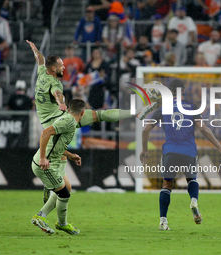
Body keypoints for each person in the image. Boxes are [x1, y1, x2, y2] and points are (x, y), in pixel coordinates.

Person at [26, 39, 157, 203]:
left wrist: (35, 50)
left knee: (63, 161)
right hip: (61, 120)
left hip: (51, 122)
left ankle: (137, 112)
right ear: (53, 69)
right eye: (61, 66)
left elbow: (40, 60)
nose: (64, 67)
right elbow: (58, 94)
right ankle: (136, 112)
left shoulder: (41, 73)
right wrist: (61, 104)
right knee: (100, 115)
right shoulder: (54, 82)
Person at [140, 79, 221, 230]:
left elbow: (145, 130)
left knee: (167, 184)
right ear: (183, 91)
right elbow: (204, 129)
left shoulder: (162, 109)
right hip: (188, 151)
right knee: (192, 179)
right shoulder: (192, 107)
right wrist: (219, 146)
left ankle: (163, 221)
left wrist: (145, 150)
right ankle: (193, 201)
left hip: (170, 151)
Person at [31, 99, 85, 235]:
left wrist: (71, 155)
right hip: (46, 164)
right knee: (64, 194)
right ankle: (51, 220)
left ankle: (50, 216)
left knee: (67, 187)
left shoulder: (67, 120)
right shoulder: (69, 121)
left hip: (52, 161)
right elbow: (45, 133)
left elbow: (56, 144)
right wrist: (43, 158)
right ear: (83, 113)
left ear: (68, 109)